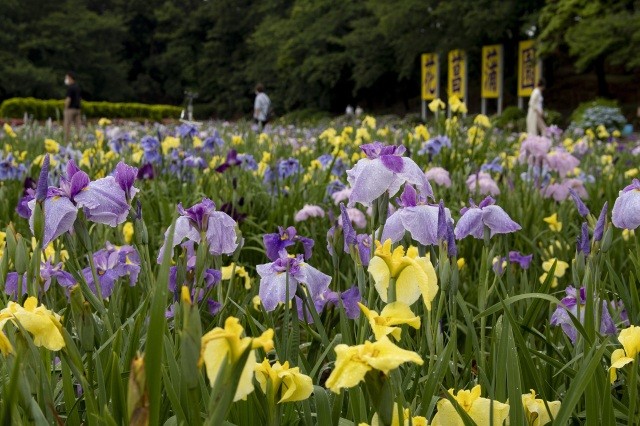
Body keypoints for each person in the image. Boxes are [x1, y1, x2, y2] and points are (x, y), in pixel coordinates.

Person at [64, 72, 82, 142]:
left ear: (70, 78)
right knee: (78, 127)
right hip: (78, 109)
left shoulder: (70, 88)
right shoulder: (77, 87)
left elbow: (68, 99)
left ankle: (67, 141)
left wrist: (65, 108)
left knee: (67, 126)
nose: (66, 80)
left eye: (66, 78)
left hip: (70, 109)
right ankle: (78, 141)